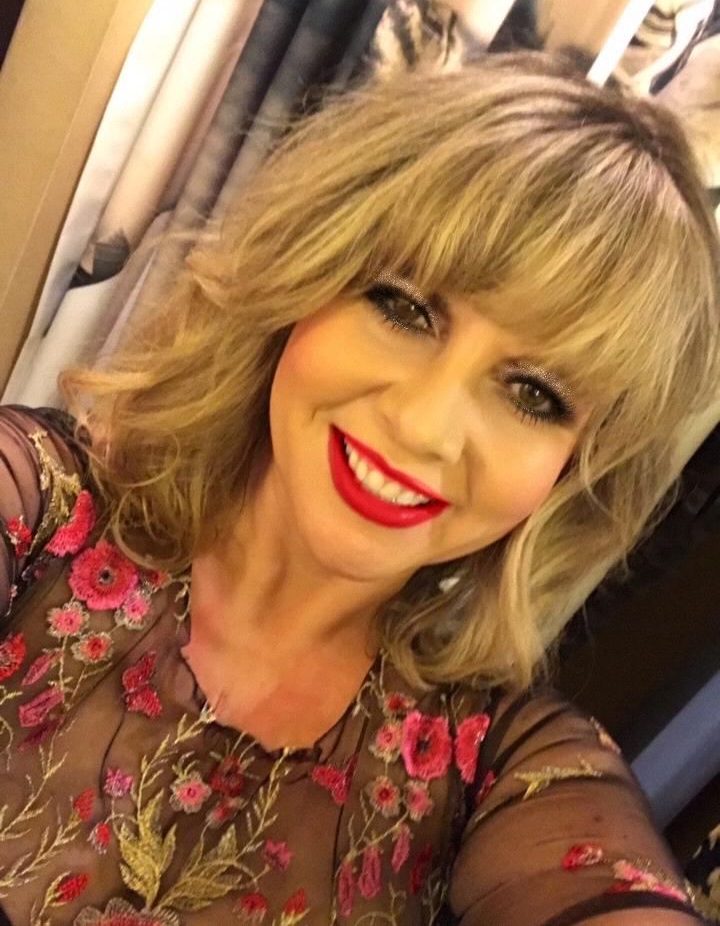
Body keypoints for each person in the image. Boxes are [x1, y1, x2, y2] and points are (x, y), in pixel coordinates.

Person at [0, 50, 718, 925]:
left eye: (533, 393)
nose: (422, 424)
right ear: (304, 277)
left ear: (575, 470)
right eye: (405, 307)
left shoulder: (497, 770)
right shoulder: (36, 504)